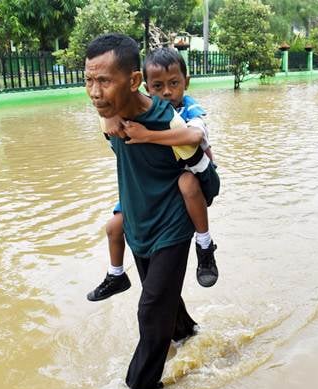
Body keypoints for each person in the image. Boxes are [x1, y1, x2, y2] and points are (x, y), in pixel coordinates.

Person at [84, 33, 200, 389]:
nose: (94, 92)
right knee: (163, 300)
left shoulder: (170, 124)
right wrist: (110, 121)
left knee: (150, 308)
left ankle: (141, 387)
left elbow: (201, 169)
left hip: (173, 223)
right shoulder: (111, 115)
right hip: (138, 221)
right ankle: (188, 334)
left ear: (133, 81)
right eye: (88, 80)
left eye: (104, 81)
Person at [87, 48, 220, 302]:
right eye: (158, 86)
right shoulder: (142, 110)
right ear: (145, 86)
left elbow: (194, 136)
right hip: (150, 187)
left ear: (186, 83)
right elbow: (107, 103)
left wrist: (147, 136)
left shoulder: (190, 110)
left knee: (187, 182)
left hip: (194, 174)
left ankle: (204, 244)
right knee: (114, 225)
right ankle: (116, 274)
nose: (167, 92)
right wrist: (112, 114)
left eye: (174, 84)